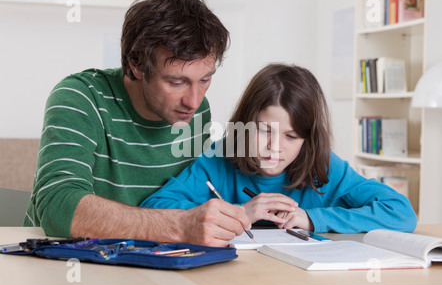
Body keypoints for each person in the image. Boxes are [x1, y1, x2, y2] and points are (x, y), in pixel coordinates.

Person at [23, 0, 252, 247]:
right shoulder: (81, 97)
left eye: (205, 79)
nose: (194, 101)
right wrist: (179, 226)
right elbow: (58, 206)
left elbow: (191, 195)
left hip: (155, 262)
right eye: (177, 82)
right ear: (136, 65)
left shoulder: (197, 113)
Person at [141, 64, 418, 234]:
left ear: (308, 140)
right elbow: (154, 208)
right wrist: (239, 214)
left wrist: (312, 218)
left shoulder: (325, 168)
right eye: (264, 130)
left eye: (291, 136)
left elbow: (401, 213)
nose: (275, 147)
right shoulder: (220, 158)